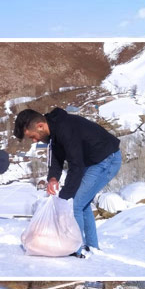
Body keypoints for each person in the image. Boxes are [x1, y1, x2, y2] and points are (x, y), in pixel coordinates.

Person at [13, 108, 122, 258]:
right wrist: (53, 178)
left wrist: (64, 197)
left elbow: (75, 166)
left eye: (33, 136)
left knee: (75, 203)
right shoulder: (53, 131)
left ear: (40, 126)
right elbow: (57, 157)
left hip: (106, 159)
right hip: (92, 162)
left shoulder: (65, 129)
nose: (34, 140)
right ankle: (92, 247)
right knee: (82, 204)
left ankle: (78, 249)